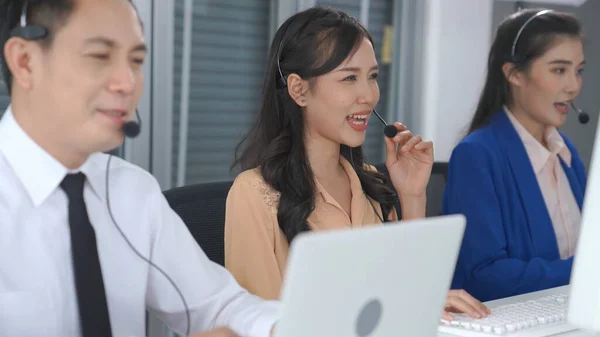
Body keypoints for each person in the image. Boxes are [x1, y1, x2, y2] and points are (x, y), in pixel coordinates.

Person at [0, 0, 279, 336]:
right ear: (25, 61)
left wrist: (284, 328)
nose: (128, 83)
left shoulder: (131, 191)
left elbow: (217, 306)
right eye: (100, 56)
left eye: (136, 60)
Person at [224, 6, 490, 321]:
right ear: (299, 89)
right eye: (349, 78)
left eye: (372, 77)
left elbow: (405, 293)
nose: (369, 94)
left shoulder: (369, 182)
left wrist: (412, 195)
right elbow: (259, 324)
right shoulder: (253, 194)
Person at [443, 8, 587, 302]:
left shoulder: (566, 152)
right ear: (514, 74)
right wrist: (583, 270)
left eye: (578, 70)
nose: (573, 86)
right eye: (559, 70)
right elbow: (483, 276)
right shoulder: (477, 155)